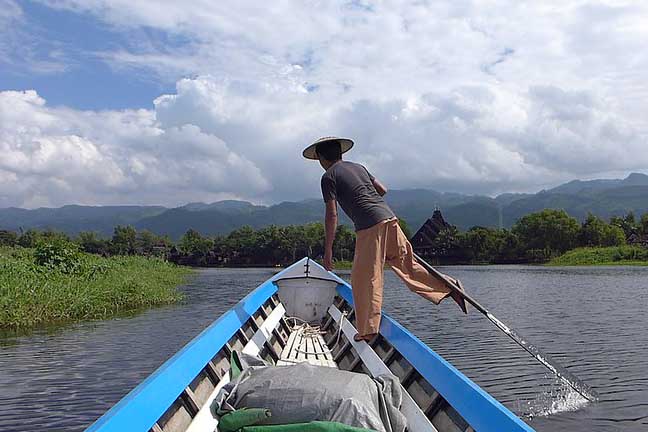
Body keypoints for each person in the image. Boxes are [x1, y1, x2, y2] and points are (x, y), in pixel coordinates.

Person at [303, 137, 467, 342]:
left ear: (320, 158)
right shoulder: (359, 167)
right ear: (341, 154)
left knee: (364, 278)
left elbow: (332, 215)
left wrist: (328, 252)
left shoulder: (328, 177)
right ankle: (449, 285)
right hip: (388, 217)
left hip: (369, 226)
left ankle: (368, 330)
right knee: (406, 264)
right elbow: (382, 189)